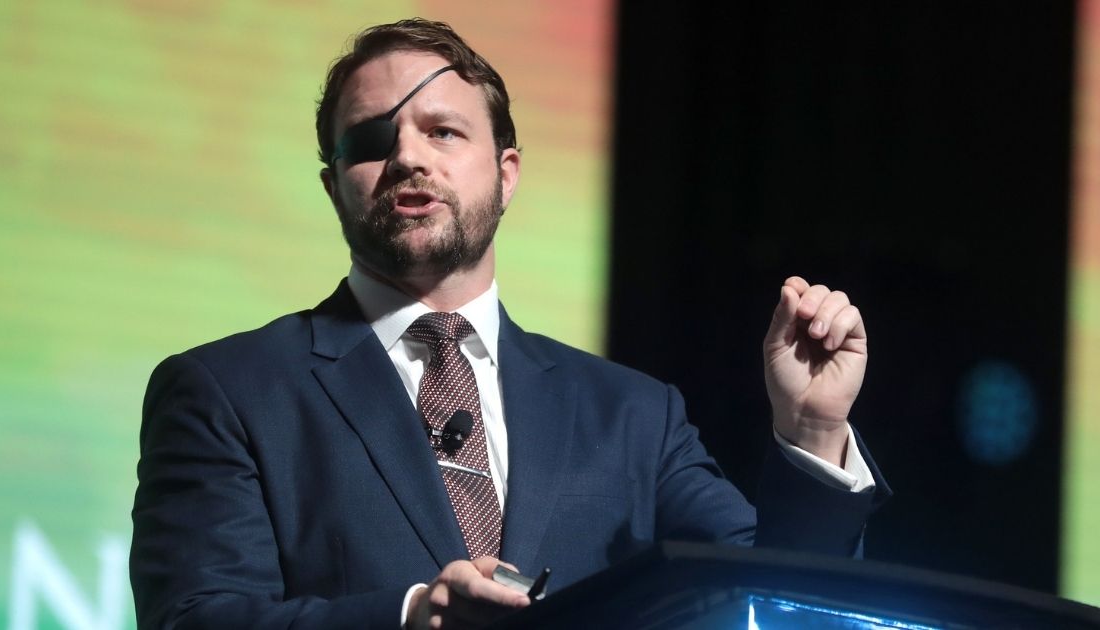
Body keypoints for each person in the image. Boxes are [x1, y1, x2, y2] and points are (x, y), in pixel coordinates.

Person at [130, 18, 890, 630]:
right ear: (334, 188)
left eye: (444, 131)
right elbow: (195, 616)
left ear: (508, 171)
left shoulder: (632, 414)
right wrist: (409, 616)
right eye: (370, 141)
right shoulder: (226, 392)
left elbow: (789, 607)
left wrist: (812, 431)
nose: (406, 157)